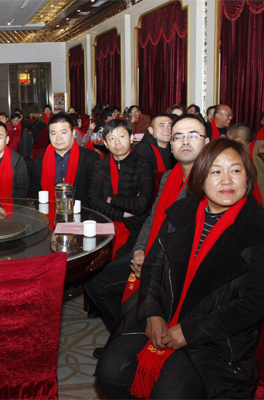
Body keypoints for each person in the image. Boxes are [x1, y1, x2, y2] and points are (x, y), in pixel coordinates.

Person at [96, 139, 264, 399]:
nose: (227, 181)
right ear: (201, 177)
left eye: (236, 170)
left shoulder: (260, 229)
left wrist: (189, 331)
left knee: (170, 393)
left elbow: (254, 304)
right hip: (164, 310)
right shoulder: (182, 212)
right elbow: (153, 267)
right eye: (216, 171)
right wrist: (152, 313)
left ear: (248, 177)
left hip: (216, 333)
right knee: (110, 371)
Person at [85, 115, 208, 337]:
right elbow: (151, 218)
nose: (185, 142)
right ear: (171, 144)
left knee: (109, 286)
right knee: (94, 280)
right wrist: (140, 249)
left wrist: (112, 199)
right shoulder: (170, 176)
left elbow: (142, 207)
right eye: (179, 137)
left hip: (173, 266)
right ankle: (122, 336)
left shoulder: (209, 183)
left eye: (193, 136)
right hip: (147, 246)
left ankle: (127, 337)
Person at [88, 119, 154, 261]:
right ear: (106, 144)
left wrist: (112, 199)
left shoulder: (143, 165)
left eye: (122, 136)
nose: (117, 142)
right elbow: (94, 201)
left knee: (118, 262)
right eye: (112, 138)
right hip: (105, 222)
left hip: (136, 226)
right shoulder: (100, 166)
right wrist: (123, 213)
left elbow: (142, 204)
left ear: (131, 138)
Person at [30, 114, 100, 206]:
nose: (58, 138)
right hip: (48, 210)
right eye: (53, 133)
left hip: (80, 211)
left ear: (73, 133)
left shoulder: (89, 158)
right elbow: (34, 193)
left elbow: (95, 194)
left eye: (63, 132)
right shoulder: (40, 161)